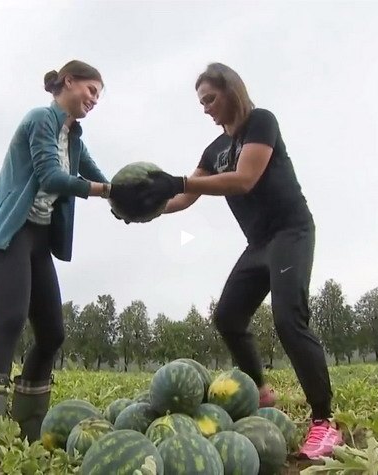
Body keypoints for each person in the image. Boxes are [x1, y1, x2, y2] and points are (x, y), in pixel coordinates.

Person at [134, 63, 343, 459]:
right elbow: (182, 198)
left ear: (231, 91)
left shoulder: (261, 123)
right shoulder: (214, 150)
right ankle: (260, 393)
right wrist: (142, 207)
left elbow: (244, 179)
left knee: (288, 319)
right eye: (201, 103)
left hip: (290, 232)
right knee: (228, 317)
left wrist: (177, 181)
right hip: (258, 243)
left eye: (210, 98)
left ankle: (324, 422)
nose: (206, 108)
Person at [0, 59, 139, 443]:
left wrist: (129, 201)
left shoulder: (74, 137)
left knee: (52, 333)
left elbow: (96, 175)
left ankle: (28, 429)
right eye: (92, 90)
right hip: (5, 234)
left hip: (37, 239)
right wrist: (107, 193)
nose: (95, 99)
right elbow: (52, 177)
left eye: (99, 95)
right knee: (9, 320)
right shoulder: (41, 119)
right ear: (69, 81)